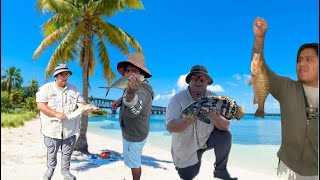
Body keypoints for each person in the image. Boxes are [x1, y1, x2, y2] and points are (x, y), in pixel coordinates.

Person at [252, 17, 318, 179]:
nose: (302, 64)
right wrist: (259, 39)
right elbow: (259, 69)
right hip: (287, 167)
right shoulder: (285, 87)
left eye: (309, 59)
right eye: (299, 60)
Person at [165, 65, 237, 180]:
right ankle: (190, 163)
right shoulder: (177, 99)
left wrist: (216, 118)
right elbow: (170, 127)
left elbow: (226, 126)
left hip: (206, 140)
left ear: (207, 82)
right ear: (189, 81)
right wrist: (186, 121)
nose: (198, 81)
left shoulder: (215, 98)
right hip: (186, 149)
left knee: (225, 136)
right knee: (189, 175)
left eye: (202, 79)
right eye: (195, 78)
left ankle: (220, 171)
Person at [36, 64, 86, 180]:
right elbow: (40, 105)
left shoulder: (74, 89)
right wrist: (56, 114)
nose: (65, 76)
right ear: (56, 75)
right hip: (52, 129)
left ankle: (65, 171)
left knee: (67, 152)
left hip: (70, 129)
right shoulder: (46, 88)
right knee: (52, 151)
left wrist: (83, 108)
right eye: (63, 74)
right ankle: (50, 169)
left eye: (67, 74)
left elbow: (81, 102)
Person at [111, 52, 154, 180]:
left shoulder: (145, 90)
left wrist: (130, 95)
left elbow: (134, 109)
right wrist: (120, 101)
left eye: (134, 71)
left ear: (142, 73)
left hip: (136, 136)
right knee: (129, 160)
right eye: (127, 70)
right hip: (127, 132)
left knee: (135, 164)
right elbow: (126, 95)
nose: (130, 74)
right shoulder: (129, 86)